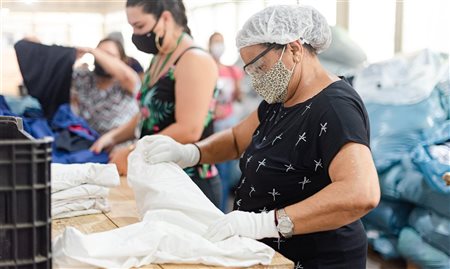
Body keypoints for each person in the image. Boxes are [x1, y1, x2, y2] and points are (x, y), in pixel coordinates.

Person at [138, 5, 380, 268]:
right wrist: (191, 153)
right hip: (271, 252)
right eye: (250, 70)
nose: (256, 80)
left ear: (295, 49)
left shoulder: (335, 107)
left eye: (260, 66)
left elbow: (360, 193)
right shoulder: (282, 97)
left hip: (318, 258)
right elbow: (235, 139)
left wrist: (266, 223)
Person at [91, 0, 222, 208]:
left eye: (140, 26)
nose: (136, 34)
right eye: (132, 27)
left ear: (166, 18)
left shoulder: (194, 59)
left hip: (190, 182)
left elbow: (189, 129)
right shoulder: (160, 57)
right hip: (160, 178)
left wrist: (133, 151)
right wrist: (114, 136)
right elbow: (147, 113)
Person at [72, 37, 140, 136]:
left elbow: (126, 76)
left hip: (120, 143)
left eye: (110, 55)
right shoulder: (83, 77)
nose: (103, 60)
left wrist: (91, 50)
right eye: (100, 54)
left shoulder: (127, 81)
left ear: (122, 60)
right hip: (87, 141)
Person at [208, 32, 244, 211]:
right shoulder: (206, 68)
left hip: (230, 123)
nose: (218, 46)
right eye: (215, 42)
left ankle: (223, 210)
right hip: (214, 125)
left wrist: (238, 87)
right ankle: (219, 211)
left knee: (228, 173)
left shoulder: (232, 71)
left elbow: (239, 98)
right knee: (219, 172)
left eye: (221, 42)